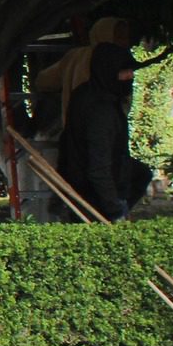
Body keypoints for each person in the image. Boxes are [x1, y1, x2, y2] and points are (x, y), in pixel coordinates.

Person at [58, 41, 151, 221]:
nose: (130, 77)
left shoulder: (85, 94)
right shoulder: (101, 110)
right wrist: (114, 209)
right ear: (109, 71)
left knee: (142, 173)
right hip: (93, 190)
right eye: (124, 72)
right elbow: (98, 166)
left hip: (83, 180)